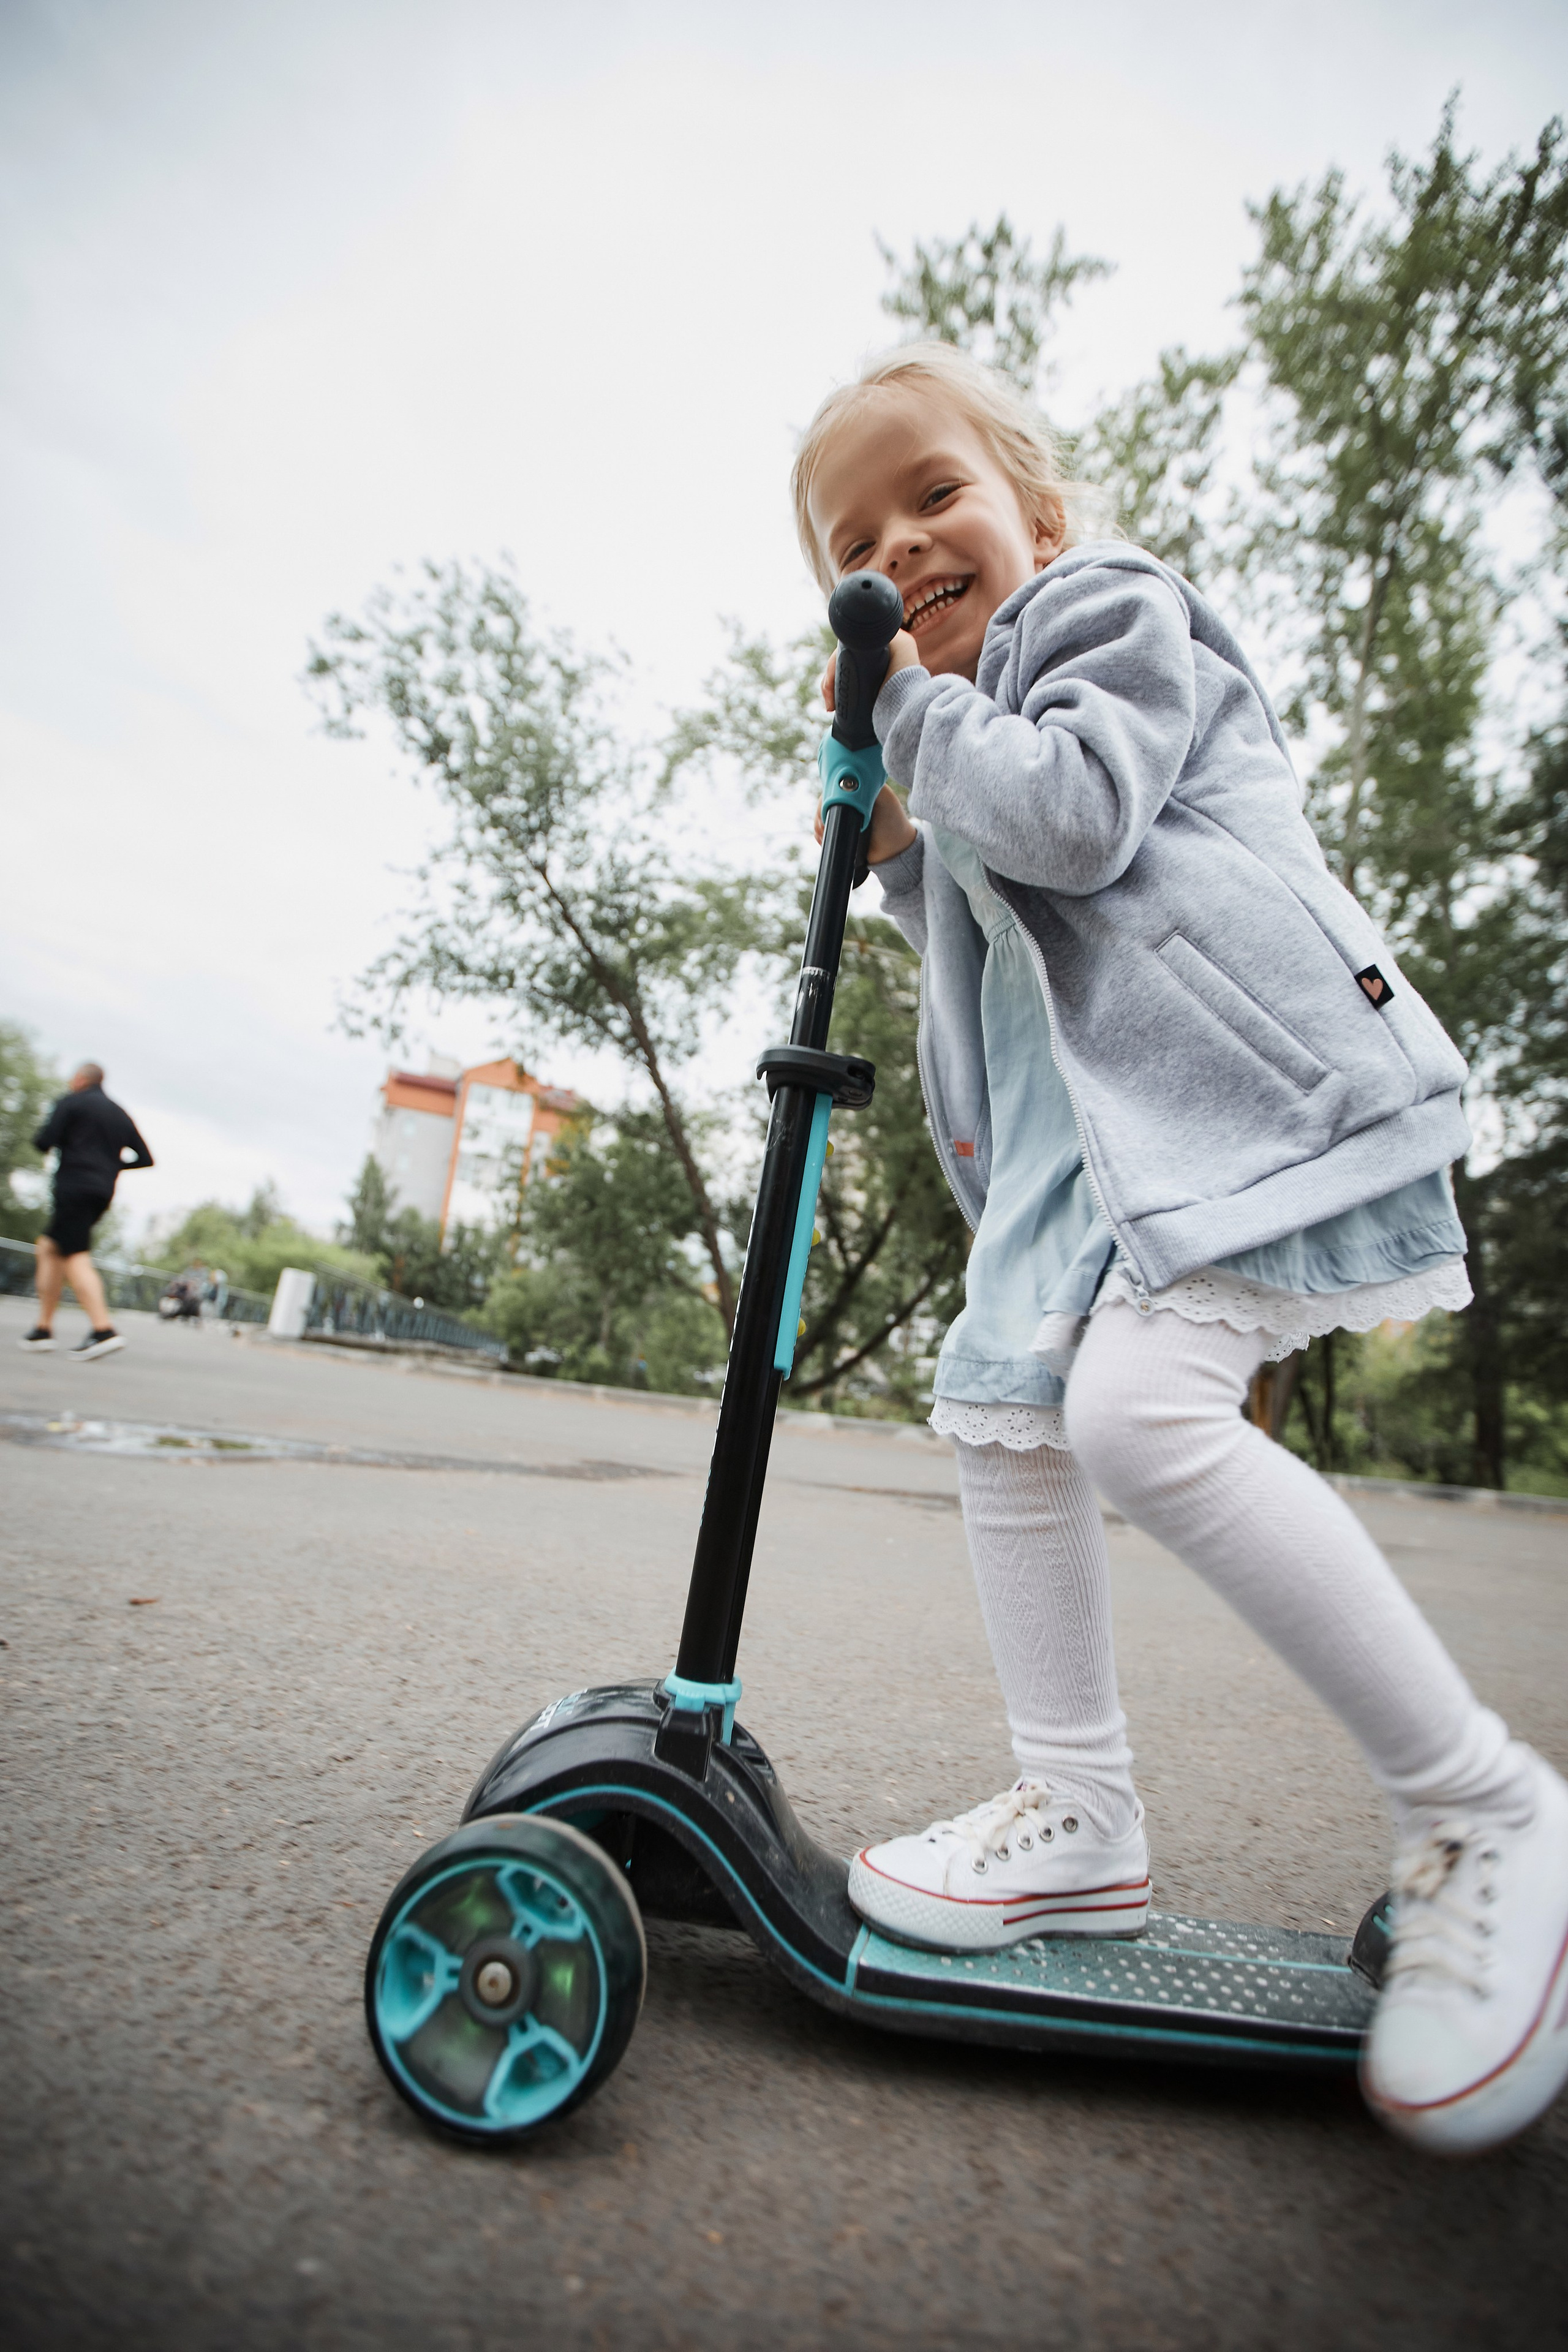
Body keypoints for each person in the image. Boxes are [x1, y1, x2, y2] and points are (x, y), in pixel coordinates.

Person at [792, 342, 1568, 2156]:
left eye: (934, 494)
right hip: (1087, 1180)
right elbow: (982, 920)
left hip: (1249, 1101)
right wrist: (889, 834)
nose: (898, 541)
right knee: (1002, 1411)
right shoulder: (959, 708)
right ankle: (1078, 1814)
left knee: (1139, 1417)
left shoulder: (1113, 608)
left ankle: (1485, 1806)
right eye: (853, 534)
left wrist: (913, 722)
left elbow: (1074, 816)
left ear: (1035, 514)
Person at [19, 1061, 153, 1360]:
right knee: (50, 1247)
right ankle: (43, 1328)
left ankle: (103, 1330)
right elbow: (145, 1158)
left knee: (75, 1253)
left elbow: (43, 1141)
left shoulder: (72, 1102)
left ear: (80, 1079)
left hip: (74, 1186)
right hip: (102, 1191)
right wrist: (109, 1165)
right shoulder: (119, 1113)